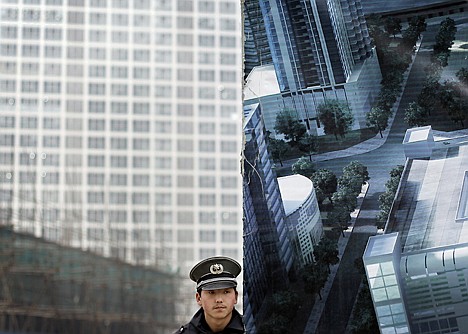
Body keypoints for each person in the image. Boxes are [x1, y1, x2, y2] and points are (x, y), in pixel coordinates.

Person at [174, 256, 244, 334]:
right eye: (211, 292)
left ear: (236, 296)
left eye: (226, 292)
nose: (219, 300)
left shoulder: (252, 329)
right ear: (198, 298)